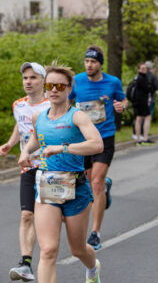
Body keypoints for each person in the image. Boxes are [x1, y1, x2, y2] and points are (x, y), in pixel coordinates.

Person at [18, 62, 104, 283]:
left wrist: (64, 148)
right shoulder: (39, 117)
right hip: (47, 186)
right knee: (48, 251)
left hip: (76, 187)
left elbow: (97, 145)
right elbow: (36, 140)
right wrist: (26, 151)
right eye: (50, 85)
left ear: (69, 89)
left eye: (60, 86)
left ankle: (92, 269)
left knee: (78, 250)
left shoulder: (77, 117)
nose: (54, 90)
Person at [69, 45, 128, 250]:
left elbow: (123, 100)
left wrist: (122, 105)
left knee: (96, 182)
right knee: (86, 183)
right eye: (86, 61)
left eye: (93, 62)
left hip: (105, 137)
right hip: (83, 139)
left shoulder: (113, 82)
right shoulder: (76, 81)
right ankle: (105, 188)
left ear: (100, 63)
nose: (89, 65)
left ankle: (95, 233)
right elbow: (66, 104)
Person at [0, 62, 50, 282]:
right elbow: (19, 126)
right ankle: (26, 264)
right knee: (26, 214)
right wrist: (11, 144)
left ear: (43, 81)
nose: (28, 82)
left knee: (57, 219)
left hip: (51, 167)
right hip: (28, 167)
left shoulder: (51, 105)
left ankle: (62, 251)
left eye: (33, 78)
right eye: (25, 78)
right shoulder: (18, 104)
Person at [133, 63, 155, 146]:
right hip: (141, 101)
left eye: (145, 68)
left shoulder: (138, 77)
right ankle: (144, 138)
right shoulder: (141, 78)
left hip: (138, 101)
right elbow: (148, 88)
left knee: (139, 119)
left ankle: (139, 139)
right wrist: (150, 87)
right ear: (138, 69)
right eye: (142, 68)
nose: (144, 70)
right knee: (147, 117)